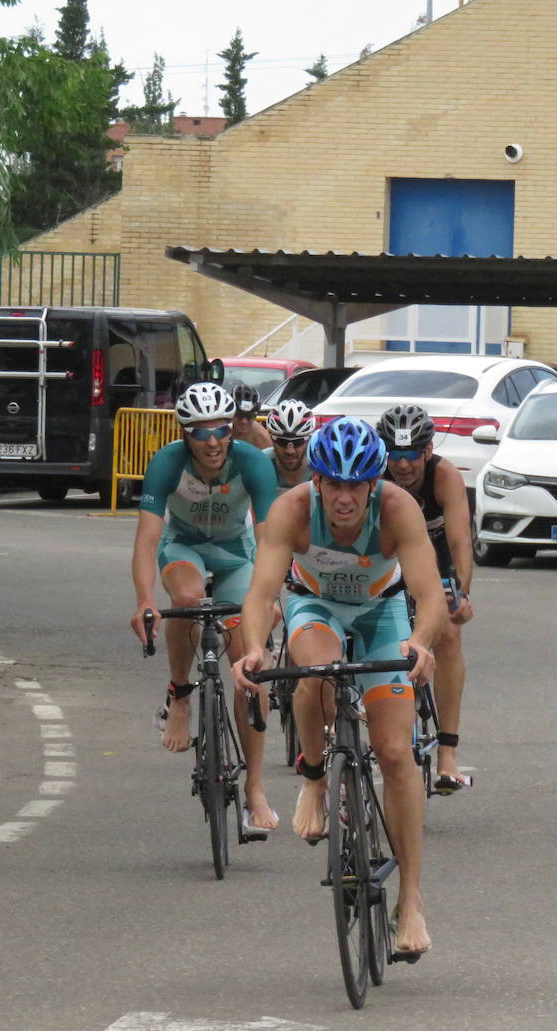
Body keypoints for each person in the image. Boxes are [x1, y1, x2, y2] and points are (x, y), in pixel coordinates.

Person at [231, 416, 445, 958]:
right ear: (317, 481)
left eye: (356, 485)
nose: (344, 497)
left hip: (381, 612)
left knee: (396, 752)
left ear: (374, 484)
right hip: (315, 605)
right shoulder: (293, 511)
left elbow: (430, 594)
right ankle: (314, 776)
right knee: (316, 672)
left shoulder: (398, 509)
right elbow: (260, 593)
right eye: (333, 483)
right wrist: (255, 647)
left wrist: (420, 642)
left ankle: (412, 899)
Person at [128, 382, 281, 836]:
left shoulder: (252, 461)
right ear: (184, 434)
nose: (212, 441)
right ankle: (180, 696)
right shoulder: (167, 462)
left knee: (248, 665)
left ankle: (255, 787)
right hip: (185, 548)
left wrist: (269, 601)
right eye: (200, 432)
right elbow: (148, 539)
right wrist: (143, 602)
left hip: (237, 552)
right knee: (187, 601)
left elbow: (272, 540)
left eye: (220, 429)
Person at [376, 403, 476, 793]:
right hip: (390, 559)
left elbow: (459, 540)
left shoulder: (443, 476)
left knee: (449, 633)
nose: (402, 466)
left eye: (411, 454)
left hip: (436, 560)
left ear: (428, 451)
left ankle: (447, 753)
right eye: (395, 455)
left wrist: (461, 593)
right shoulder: (375, 476)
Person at [263, 399, 316, 495]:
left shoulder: (320, 466)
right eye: (282, 441)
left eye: (298, 442)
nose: (290, 451)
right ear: (272, 439)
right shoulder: (261, 463)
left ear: (308, 440)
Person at [230, 384, 274, 450]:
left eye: (249, 416)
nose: (244, 421)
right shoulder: (222, 428)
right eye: (239, 415)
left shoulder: (262, 438)